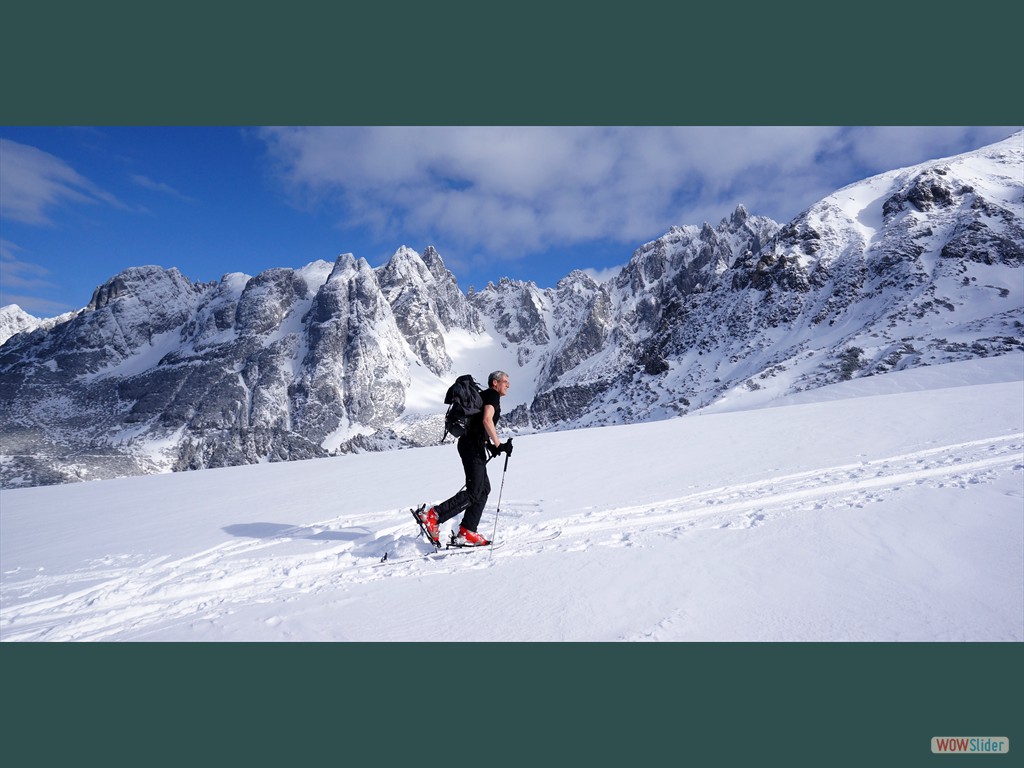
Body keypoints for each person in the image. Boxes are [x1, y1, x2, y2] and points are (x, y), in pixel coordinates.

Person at [417, 370, 511, 546]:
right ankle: (432, 516)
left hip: (473, 444)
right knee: (475, 490)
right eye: (505, 381)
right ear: (495, 383)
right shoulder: (492, 395)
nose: (508, 385)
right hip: (471, 447)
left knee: (483, 489)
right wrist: (499, 445)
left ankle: (467, 531)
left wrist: (489, 445)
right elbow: (486, 420)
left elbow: (477, 426)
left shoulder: (485, 396)